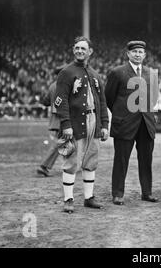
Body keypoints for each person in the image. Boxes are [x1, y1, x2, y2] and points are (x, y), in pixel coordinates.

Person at [54, 36, 109, 213]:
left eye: (83, 49)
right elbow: (59, 100)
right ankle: (68, 199)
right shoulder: (66, 72)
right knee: (71, 160)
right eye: (77, 48)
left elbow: (102, 101)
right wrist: (66, 124)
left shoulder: (95, 74)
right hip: (74, 122)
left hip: (94, 120)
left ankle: (88, 198)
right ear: (73, 50)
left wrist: (104, 125)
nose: (79, 51)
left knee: (91, 160)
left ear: (90, 52)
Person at [105, 40, 159, 205]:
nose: (137, 54)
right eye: (134, 51)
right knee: (121, 159)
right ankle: (118, 193)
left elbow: (154, 97)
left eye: (140, 52)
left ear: (145, 55)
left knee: (146, 160)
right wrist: (123, 114)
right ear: (128, 54)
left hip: (146, 123)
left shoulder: (152, 73)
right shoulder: (118, 72)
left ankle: (147, 192)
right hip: (125, 124)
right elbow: (109, 98)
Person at [37, 64, 66, 177]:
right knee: (59, 144)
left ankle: (71, 165)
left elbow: (45, 102)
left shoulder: (52, 86)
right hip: (63, 119)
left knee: (66, 143)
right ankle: (43, 166)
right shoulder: (64, 86)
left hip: (55, 119)